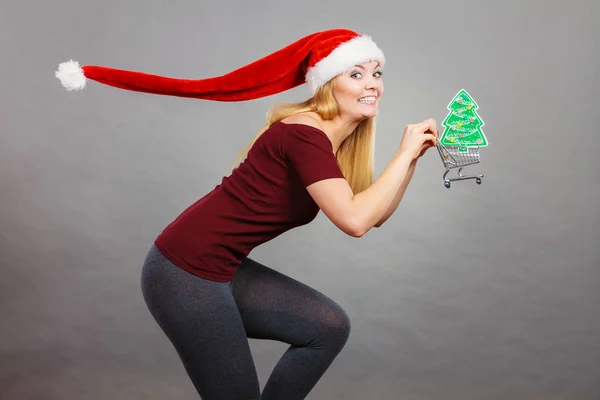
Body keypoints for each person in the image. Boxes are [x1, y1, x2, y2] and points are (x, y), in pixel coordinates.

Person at [55, 28, 438, 400]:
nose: (372, 84)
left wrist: (411, 161)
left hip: (221, 268)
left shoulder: (330, 141)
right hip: (183, 273)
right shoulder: (305, 134)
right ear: (327, 84)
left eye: (376, 73)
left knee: (327, 326)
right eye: (356, 74)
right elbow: (354, 221)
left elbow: (375, 215)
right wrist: (401, 154)